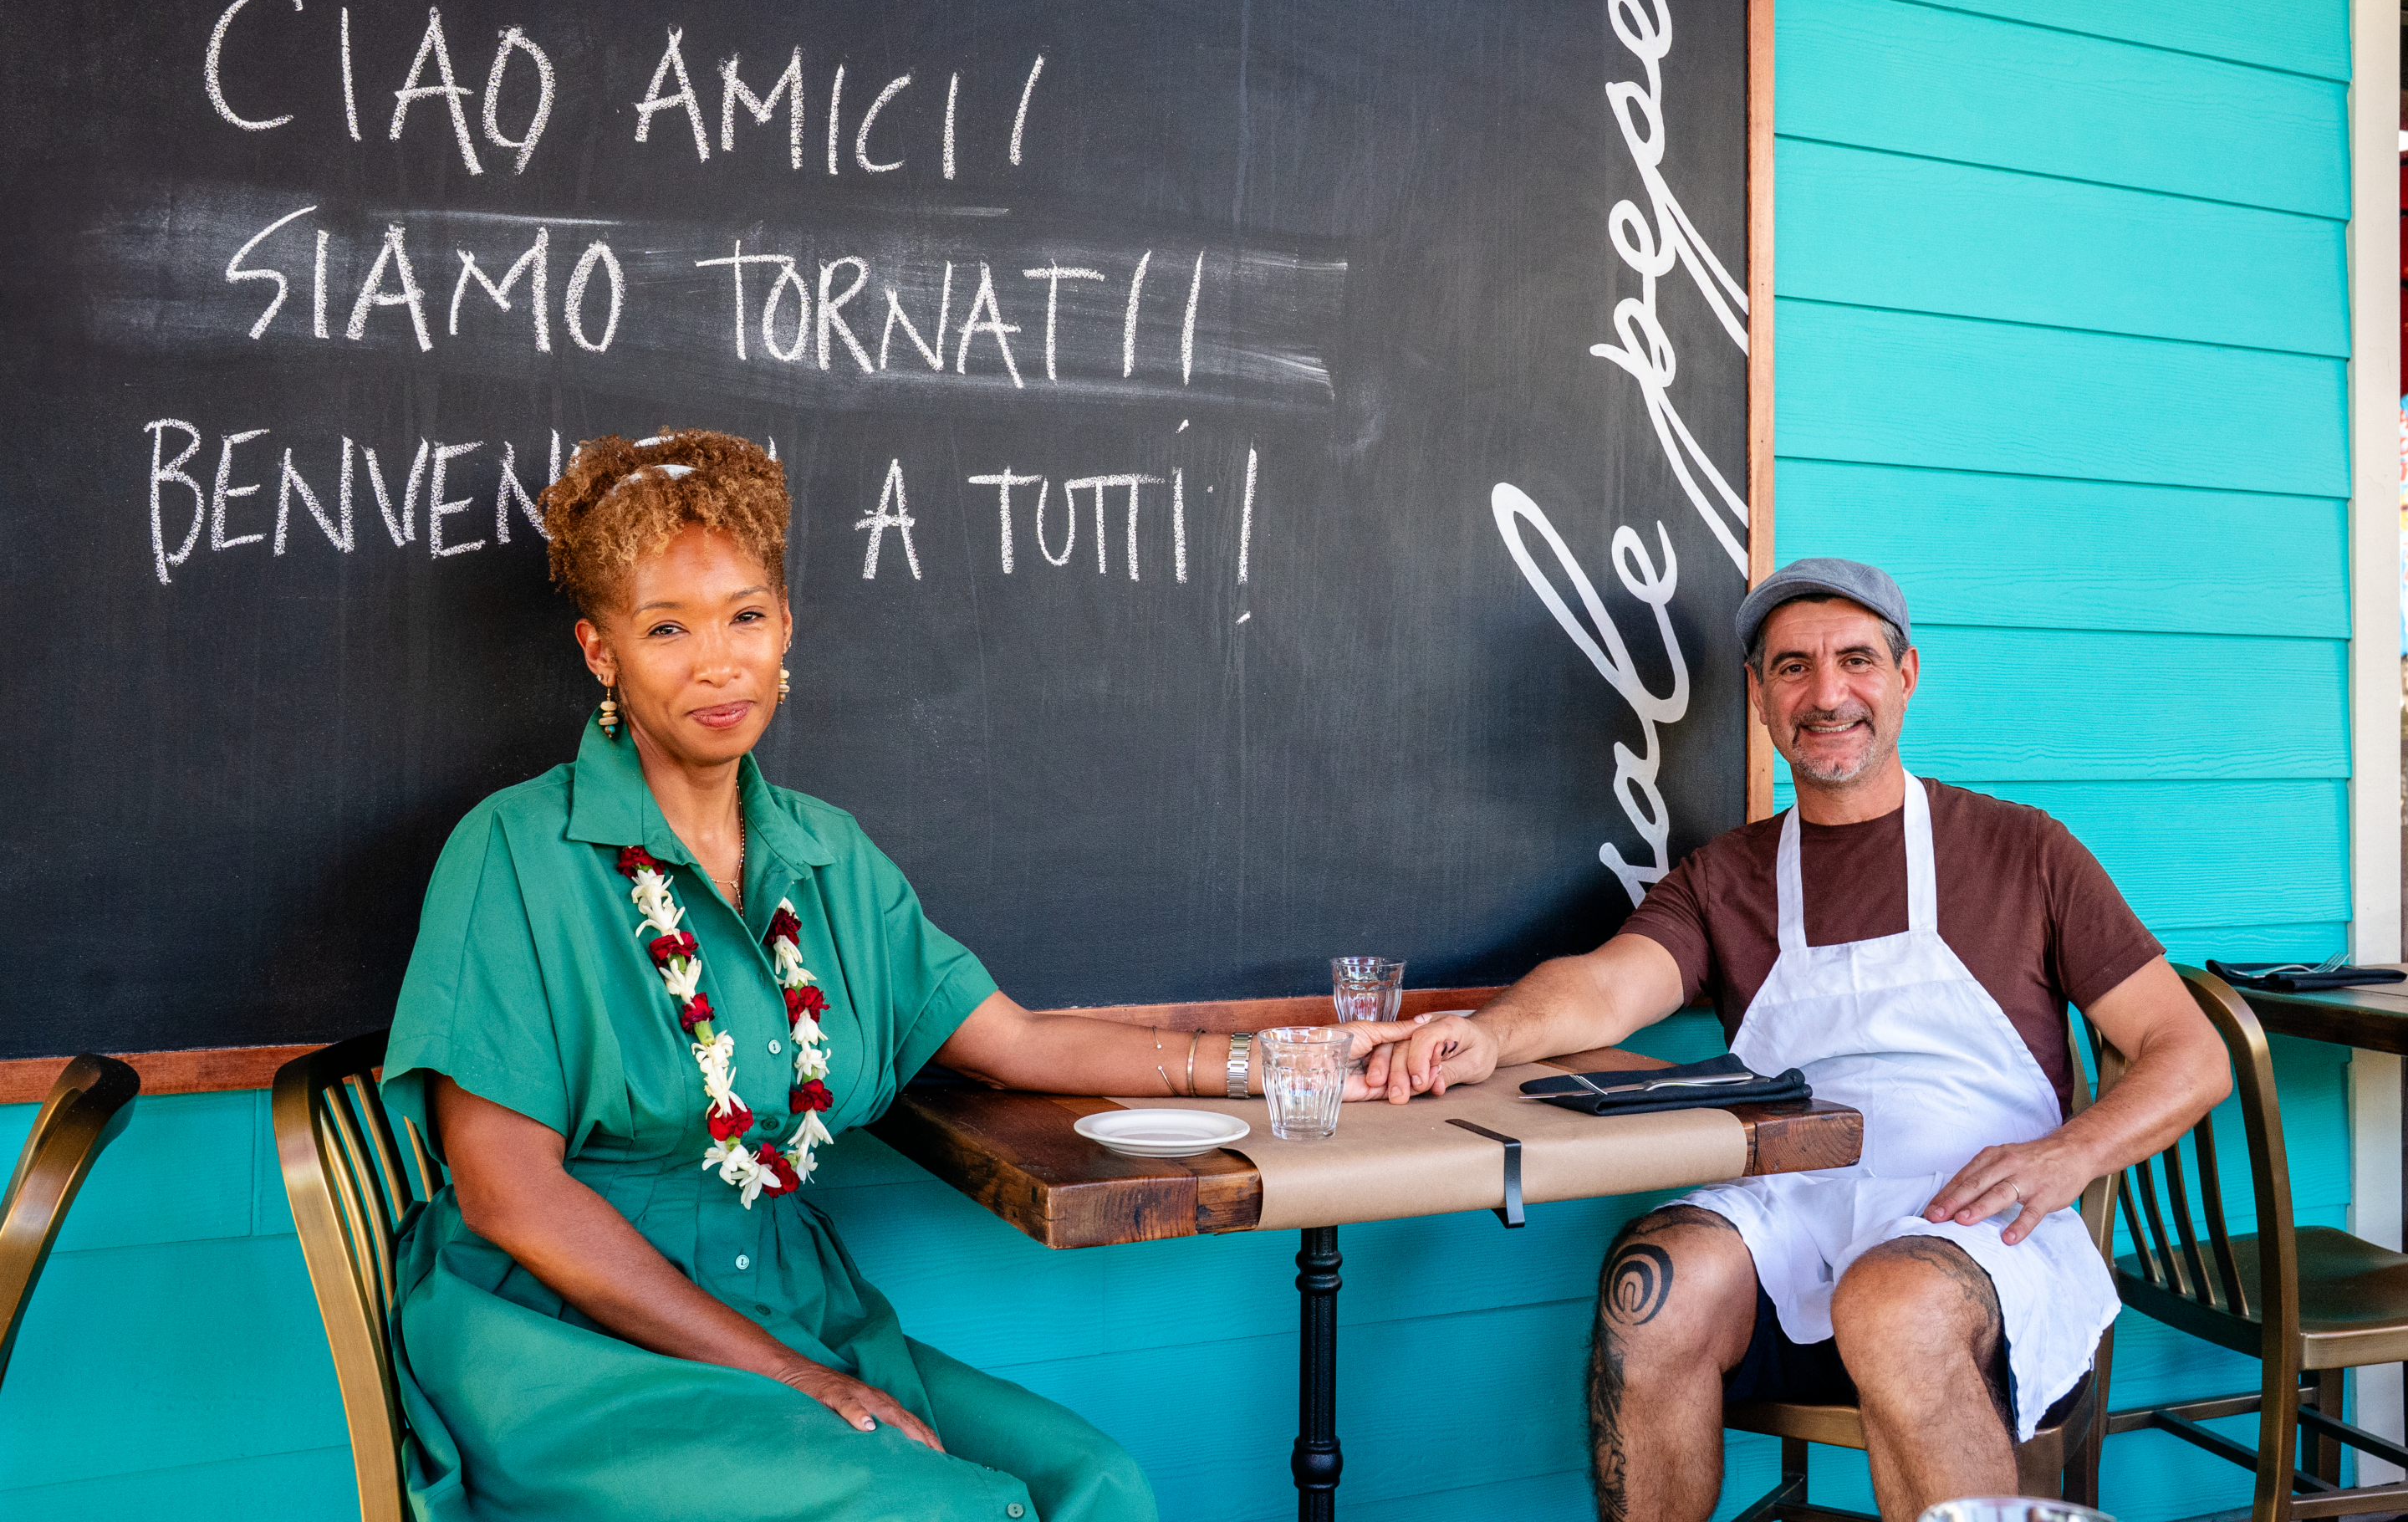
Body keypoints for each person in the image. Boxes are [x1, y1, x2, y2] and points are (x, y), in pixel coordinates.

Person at [382, 430, 1347, 1522]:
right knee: (943, 1511)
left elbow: (1018, 1045)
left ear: (787, 629)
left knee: (1100, 1487)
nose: (717, 662)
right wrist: (792, 1376)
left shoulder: (830, 860)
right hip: (570, 1354)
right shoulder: (513, 855)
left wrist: (1287, 1064)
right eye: (666, 629)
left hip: (797, 1302)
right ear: (601, 652)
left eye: (746, 615)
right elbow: (512, 1194)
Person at [1361, 558, 2232, 1521]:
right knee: (1649, 1291)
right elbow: (1608, 987)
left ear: (1906, 677)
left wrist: (2070, 1155)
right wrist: (1489, 1035)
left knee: (1892, 1302)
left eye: (1856, 660)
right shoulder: (1725, 876)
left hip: (1977, 1226)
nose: (1827, 695)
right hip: (1788, 1217)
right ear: (1761, 697)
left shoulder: (2024, 851)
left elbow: (2189, 1051)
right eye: (1791, 668)